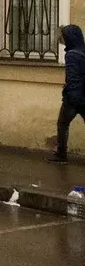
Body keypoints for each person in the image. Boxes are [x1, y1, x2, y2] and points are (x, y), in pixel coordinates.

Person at [47, 25, 85, 164]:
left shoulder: (72, 55)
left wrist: (73, 99)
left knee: (62, 124)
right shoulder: (82, 51)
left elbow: (73, 78)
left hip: (74, 99)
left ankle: (61, 155)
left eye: (63, 37)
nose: (62, 40)